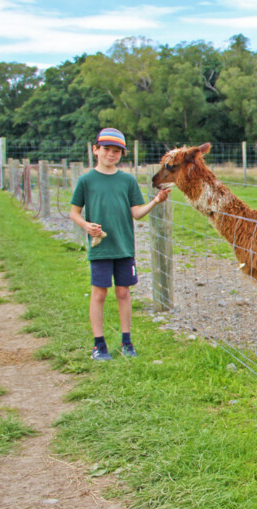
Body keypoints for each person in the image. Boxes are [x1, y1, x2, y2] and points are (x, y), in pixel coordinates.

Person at [69, 128, 170, 361]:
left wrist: (155, 201)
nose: (110, 155)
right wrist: (86, 226)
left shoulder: (127, 181)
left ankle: (127, 341)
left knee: (123, 292)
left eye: (116, 151)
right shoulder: (86, 181)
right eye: (106, 149)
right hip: (101, 248)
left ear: (121, 154)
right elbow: (74, 212)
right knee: (99, 294)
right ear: (95, 150)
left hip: (124, 247)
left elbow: (137, 213)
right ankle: (99, 345)